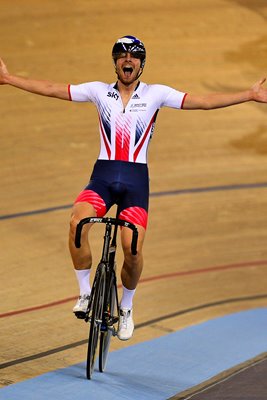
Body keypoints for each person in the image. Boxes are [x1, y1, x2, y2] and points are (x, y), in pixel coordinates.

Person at [1, 35, 267, 341]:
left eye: (134, 56)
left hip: (135, 183)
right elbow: (52, 89)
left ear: (141, 64)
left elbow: (204, 103)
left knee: (133, 249)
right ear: (115, 62)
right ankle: (85, 292)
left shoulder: (156, 94)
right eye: (122, 56)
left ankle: (126, 307)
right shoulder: (98, 91)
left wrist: (248, 94)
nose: (128, 60)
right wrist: (9, 79)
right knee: (77, 222)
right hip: (102, 178)